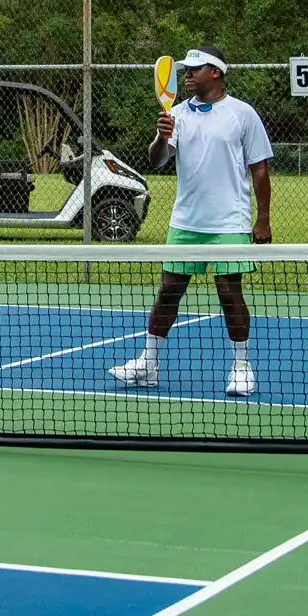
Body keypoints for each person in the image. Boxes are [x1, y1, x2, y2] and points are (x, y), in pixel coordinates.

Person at [109, 46, 273, 397]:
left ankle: (241, 368)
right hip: (186, 221)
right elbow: (157, 161)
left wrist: (262, 218)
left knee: (230, 291)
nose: (187, 74)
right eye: (186, 69)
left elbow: (259, 167)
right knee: (168, 291)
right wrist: (161, 136)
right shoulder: (177, 114)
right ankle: (148, 363)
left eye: (195, 69)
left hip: (230, 222)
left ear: (215, 72)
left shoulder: (242, 114)